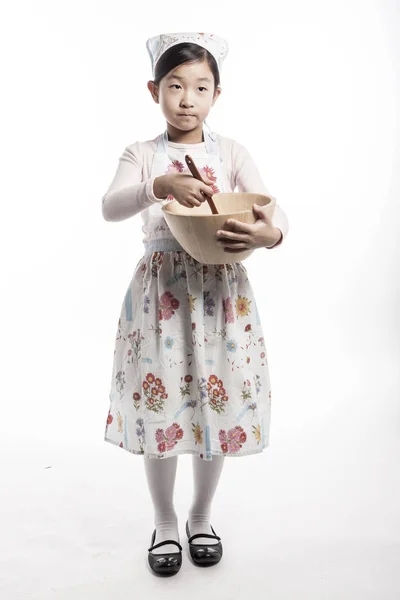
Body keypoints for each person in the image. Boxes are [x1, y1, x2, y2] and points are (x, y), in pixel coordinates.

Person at [102, 32, 289, 576]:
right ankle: (163, 520)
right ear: (153, 89)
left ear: (217, 94)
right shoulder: (142, 154)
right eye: (175, 85)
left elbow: (271, 213)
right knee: (162, 406)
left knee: (217, 401)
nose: (187, 98)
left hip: (221, 294)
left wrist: (265, 237)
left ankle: (201, 516)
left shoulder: (231, 153)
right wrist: (155, 186)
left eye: (200, 87)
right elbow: (109, 207)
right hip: (160, 294)